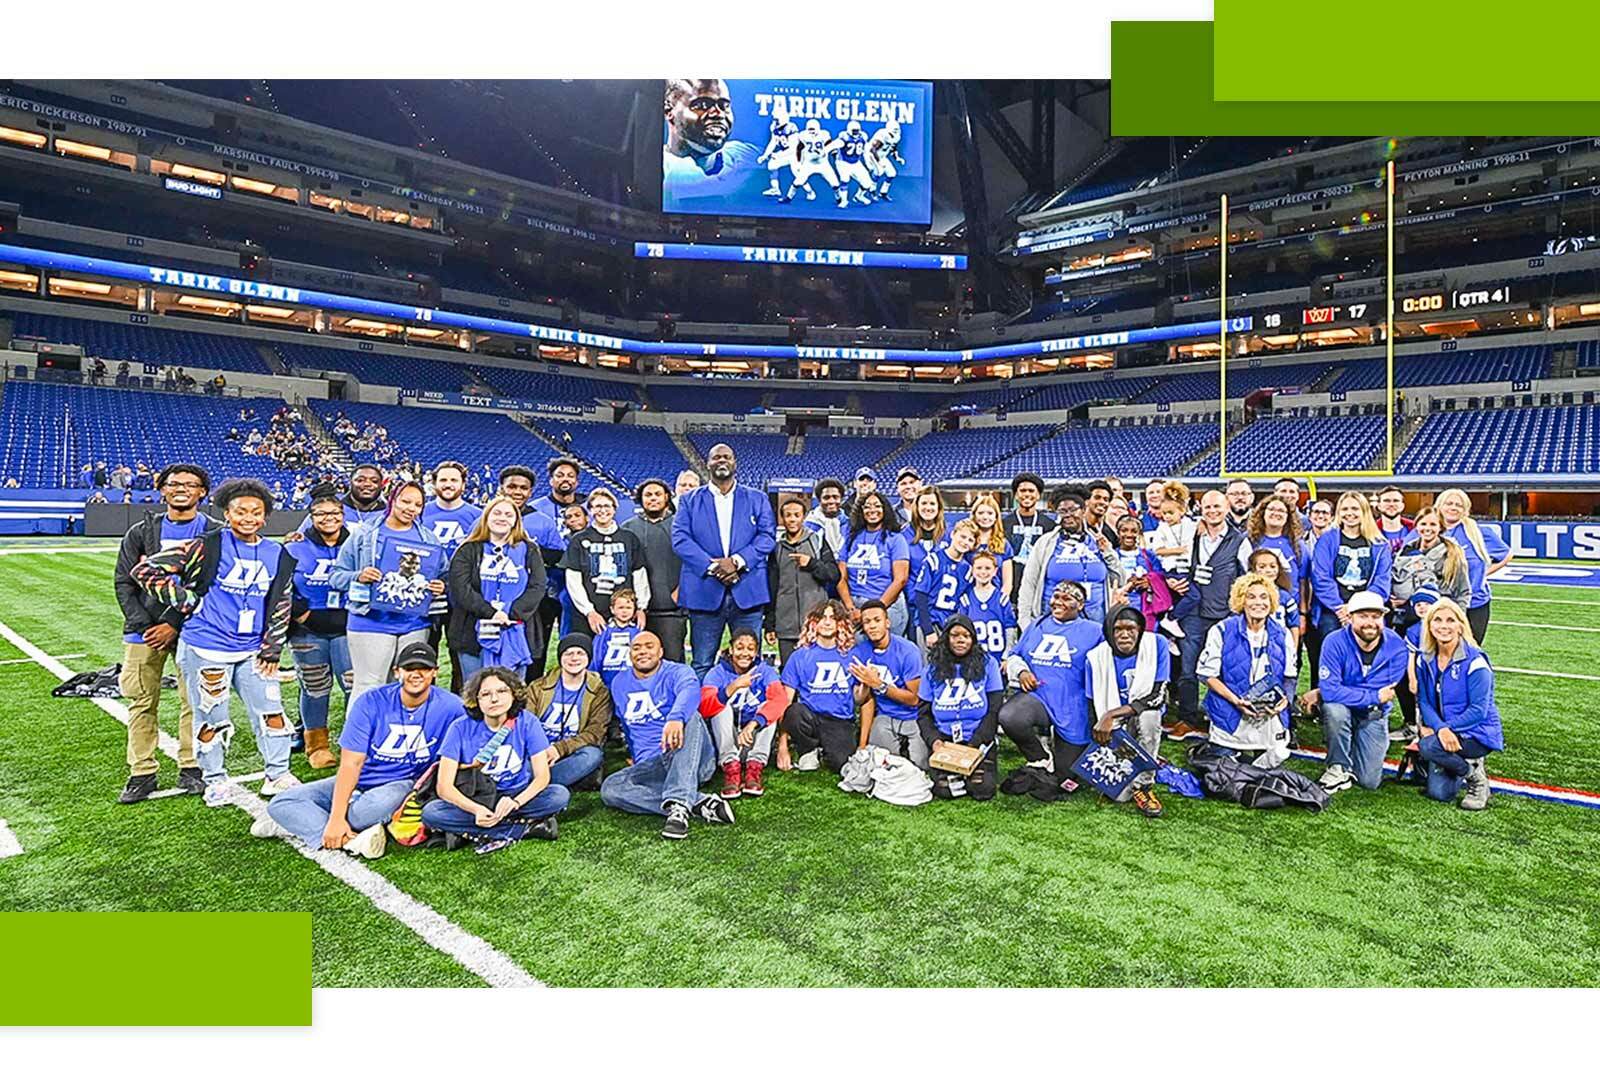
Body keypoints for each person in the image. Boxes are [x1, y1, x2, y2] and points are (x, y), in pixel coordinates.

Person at [131, 478, 299, 808]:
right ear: (227, 514)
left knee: (272, 712)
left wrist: (273, 647)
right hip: (206, 646)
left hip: (253, 651)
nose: (248, 518)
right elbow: (145, 570)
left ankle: (278, 773)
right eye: (241, 511)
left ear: (265, 517)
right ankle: (215, 780)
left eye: (256, 512)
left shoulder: (277, 553)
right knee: (212, 717)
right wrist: (185, 601)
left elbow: (282, 602)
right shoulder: (205, 545)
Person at [258, 643, 464, 858]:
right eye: (409, 668)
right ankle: (351, 841)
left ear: (435, 672)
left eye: (424, 669)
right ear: (397, 672)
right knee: (281, 803)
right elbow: (351, 763)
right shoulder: (370, 702)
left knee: (368, 810)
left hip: (403, 783)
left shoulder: (452, 707)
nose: (416, 674)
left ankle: (303, 822)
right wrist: (336, 819)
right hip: (362, 780)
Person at [113, 463, 217, 802]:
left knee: (196, 701)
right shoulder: (141, 532)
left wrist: (172, 623)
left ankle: (192, 766)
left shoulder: (214, 533)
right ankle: (142, 772)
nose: (181, 489)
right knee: (141, 700)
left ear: (202, 492)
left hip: (195, 629)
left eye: (190, 484)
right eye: (174, 483)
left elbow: (209, 586)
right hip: (143, 631)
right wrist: (145, 625)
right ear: (162, 490)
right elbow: (124, 582)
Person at [601, 630, 735, 839]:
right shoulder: (620, 682)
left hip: (691, 758)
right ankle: (697, 803)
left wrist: (675, 718)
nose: (642, 651)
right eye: (636, 648)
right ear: (630, 654)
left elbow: (689, 692)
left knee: (691, 716)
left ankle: (679, 807)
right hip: (654, 764)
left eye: (649, 646)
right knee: (611, 788)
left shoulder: (679, 672)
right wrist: (636, 756)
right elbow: (627, 727)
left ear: (661, 652)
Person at [420, 667, 567, 850]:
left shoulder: (528, 722)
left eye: (502, 691)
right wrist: (476, 809)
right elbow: (444, 787)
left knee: (559, 795)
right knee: (432, 813)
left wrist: (515, 802)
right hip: (476, 796)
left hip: (515, 794)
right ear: (476, 700)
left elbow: (542, 777)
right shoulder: (459, 728)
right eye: (486, 694)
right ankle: (525, 829)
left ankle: (467, 833)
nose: (494, 699)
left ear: (514, 695)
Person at [332, 481, 448, 701]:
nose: (411, 508)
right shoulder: (365, 534)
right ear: (392, 500)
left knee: (406, 689)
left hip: (414, 624)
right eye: (406, 501)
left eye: (418, 504)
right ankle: (361, 725)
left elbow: (443, 574)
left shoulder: (428, 538)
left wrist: (441, 586)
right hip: (370, 620)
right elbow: (336, 575)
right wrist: (359, 576)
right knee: (368, 686)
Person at [672, 442, 776, 678]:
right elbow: (680, 539)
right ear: (707, 463)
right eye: (716, 457)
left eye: (726, 457)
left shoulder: (757, 498)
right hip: (705, 591)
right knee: (702, 662)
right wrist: (714, 567)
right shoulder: (689, 501)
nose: (721, 460)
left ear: (734, 463)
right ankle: (703, 704)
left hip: (747, 592)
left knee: (750, 661)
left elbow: (767, 537)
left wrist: (737, 561)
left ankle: (748, 702)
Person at [1298, 590, 1407, 793]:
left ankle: (1354, 740)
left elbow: (1384, 692)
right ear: (1350, 618)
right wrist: (1372, 695)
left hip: (1373, 714)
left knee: (1368, 781)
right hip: (1346, 707)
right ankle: (1337, 767)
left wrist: (1327, 690)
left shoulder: (1397, 646)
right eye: (1363, 616)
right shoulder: (1334, 641)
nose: (1370, 623)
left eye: (1376, 616)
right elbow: (1335, 693)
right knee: (1335, 710)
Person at [1168, 489, 1255, 740]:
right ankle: (1187, 718)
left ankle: (1221, 718)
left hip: (1224, 614)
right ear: (1201, 509)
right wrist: (1173, 581)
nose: (1212, 511)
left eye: (1217, 506)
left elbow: (1247, 577)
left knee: (1225, 670)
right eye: (1207, 507)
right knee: (1188, 669)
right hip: (1193, 613)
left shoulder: (1239, 540)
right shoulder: (1192, 535)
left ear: (1226, 508)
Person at [1001, 580, 1104, 782]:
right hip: (1038, 696)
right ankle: (1039, 757)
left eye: (1066, 598)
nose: (1058, 602)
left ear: (1080, 605)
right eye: (1056, 597)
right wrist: (1022, 672)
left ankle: (1056, 744)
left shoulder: (1095, 631)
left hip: (1073, 704)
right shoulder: (1037, 624)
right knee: (1010, 716)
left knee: (1067, 776)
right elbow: (1014, 655)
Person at [1197, 574, 1298, 767]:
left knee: (1271, 766)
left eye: (1264, 597)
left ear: (1272, 601)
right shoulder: (1221, 630)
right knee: (1225, 772)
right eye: (1251, 597)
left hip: (1269, 713)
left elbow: (1290, 677)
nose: (1258, 602)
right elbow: (1207, 675)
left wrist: (1284, 701)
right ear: (1241, 601)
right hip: (1230, 710)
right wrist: (1236, 701)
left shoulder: (1283, 634)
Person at [285, 485, 352, 770]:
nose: (328, 518)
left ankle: (353, 743)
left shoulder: (358, 544)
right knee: (314, 686)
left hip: (350, 626)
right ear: (311, 517)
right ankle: (317, 745)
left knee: (354, 685)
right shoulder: (294, 547)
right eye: (321, 514)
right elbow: (282, 587)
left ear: (343, 515)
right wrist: (301, 614)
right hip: (308, 627)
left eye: (334, 513)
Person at [1414, 599, 1503, 810]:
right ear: (1429, 625)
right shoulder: (1424, 659)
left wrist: (1445, 729)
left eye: (1450, 620)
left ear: (1461, 626)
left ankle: (1476, 778)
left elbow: (1478, 711)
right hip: (1444, 732)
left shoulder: (1476, 662)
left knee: (1428, 747)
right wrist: (1440, 728)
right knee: (1440, 794)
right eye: (1437, 620)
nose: (1443, 626)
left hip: (1476, 733)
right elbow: (1424, 701)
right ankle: (1462, 764)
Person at [447, 495, 547, 682]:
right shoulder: (467, 549)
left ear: (516, 521)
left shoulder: (530, 549)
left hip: (515, 629)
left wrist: (510, 613)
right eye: (497, 513)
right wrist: (491, 613)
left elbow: (538, 586)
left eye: (508, 515)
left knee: (513, 689)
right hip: (472, 633)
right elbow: (461, 589)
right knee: (474, 688)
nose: (502, 518)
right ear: (486, 517)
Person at [1086, 605, 1172, 818]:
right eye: (1118, 629)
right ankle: (1139, 759)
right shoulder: (1095, 658)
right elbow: (1092, 704)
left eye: (1130, 629)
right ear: (1109, 631)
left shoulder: (1157, 645)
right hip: (1115, 729)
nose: (1125, 635)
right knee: (1119, 796)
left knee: (1150, 716)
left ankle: (1144, 785)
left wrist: (1111, 714)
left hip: (1140, 716)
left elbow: (1157, 696)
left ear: (1140, 629)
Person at [918, 615, 1005, 800]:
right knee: (944, 790)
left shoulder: (988, 664)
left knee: (983, 789)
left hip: (978, 738)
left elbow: (994, 709)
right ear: (946, 638)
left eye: (966, 636)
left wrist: (976, 742)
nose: (961, 640)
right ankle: (958, 775)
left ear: (973, 639)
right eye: (955, 635)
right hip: (945, 739)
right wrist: (934, 741)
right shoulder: (931, 669)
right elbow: (923, 714)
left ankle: (969, 774)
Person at [497, 465, 570, 677]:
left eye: (523, 488)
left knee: (533, 656)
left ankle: (530, 694)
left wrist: (526, 550)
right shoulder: (486, 518)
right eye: (512, 486)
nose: (517, 492)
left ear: (530, 492)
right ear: (501, 488)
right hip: (492, 599)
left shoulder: (542, 521)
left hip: (533, 602)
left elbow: (558, 555)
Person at [1019, 486, 1123, 629]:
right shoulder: (1045, 543)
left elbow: (1120, 579)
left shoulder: (1098, 541)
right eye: (1062, 511)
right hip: (1053, 622)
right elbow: (1028, 584)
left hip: (1095, 623)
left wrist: (1107, 552)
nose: (1068, 515)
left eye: (1073, 510)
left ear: (1083, 510)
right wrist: (1026, 623)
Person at [700, 628, 788, 797]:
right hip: (728, 740)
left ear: (756, 652)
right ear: (731, 649)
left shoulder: (764, 671)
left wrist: (754, 723)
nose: (745, 653)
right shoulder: (717, 673)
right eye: (739, 648)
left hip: (752, 738)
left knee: (769, 707)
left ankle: (754, 769)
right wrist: (733, 687)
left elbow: (780, 701)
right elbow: (704, 707)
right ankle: (731, 769)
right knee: (721, 707)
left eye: (750, 649)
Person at [422, 461, 482, 693]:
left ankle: (461, 702)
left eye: (454, 480)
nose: (448, 485)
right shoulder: (421, 513)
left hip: (462, 596)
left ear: (463, 484)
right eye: (443, 480)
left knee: (461, 653)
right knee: (425, 653)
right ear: (434, 483)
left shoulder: (477, 516)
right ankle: (426, 702)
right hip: (426, 594)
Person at [779, 600, 859, 773]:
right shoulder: (800, 656)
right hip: (809, 717)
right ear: (813, 622)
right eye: (822, 617)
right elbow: (784, 702)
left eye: (833, 618)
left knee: (841, 763)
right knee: (794, 712)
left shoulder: (852, 655)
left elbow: (863, 699)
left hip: (839, 719)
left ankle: (825, 750)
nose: (827, 622)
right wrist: (782, 747)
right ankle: (808, 749)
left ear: (840, 623)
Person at [562, 486, 649, 639]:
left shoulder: (629, 538)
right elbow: (573, 580)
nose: (602, 510)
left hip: (624, 613)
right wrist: (589, 611)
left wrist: (641, 607)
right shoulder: (579, 540)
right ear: (590, 510)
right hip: (589, 614)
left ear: (614, 509)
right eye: (597, 506)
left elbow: (640, 575)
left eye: (607, 506)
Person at [528, 633, 612, 790]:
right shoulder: (538, 687)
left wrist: (559, 749)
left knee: (592, 755)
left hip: (572, 749)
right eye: (568, 653)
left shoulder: (599, 691)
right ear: (560, 657)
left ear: (588, 658)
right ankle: (548, 780)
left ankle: (537, 782)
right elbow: (525, 724)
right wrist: (540, 750)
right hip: (537, 750)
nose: (574, 658)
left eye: (580, 653)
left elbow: (595, 733)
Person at [765, 496, 842, 665]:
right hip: (786, 626)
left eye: (796, 515)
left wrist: (812, 564)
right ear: (782, 518)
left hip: (816, 624)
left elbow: (834, 574)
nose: (792, 519)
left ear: (804, 517)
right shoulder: (776, 548)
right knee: (789, 670)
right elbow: (772, 587)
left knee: (815, 669)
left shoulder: (817, 541)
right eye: (788, 515)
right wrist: (770, 623)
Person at [661, 79, 759, 211]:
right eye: (702, 105)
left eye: (724, 105)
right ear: (669, 111)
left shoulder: (749, 156)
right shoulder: (655, 170)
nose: (718, 114)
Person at [1309, 491, 1394, 645]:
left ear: (1364, 511)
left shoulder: (1379, 544)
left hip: (1367, 608)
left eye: (1355, 509)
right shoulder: (1327, 540)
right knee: (1331, 639)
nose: (1349, 513)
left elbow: (1382, 580)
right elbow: (1320, 577)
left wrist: (1357, 607)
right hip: (1333, 609)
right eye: (1345, 509)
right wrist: (1340, 608)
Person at [851, 600, 927, 768]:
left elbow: (915, 699)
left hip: (913, 716)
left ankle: (907, 748)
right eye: (867, 622)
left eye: (877, 620)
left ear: (887, 623)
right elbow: (862, 701)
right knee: (884, 765)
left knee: (920, 765)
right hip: (884, 716)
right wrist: (865, 684)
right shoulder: (859, 652)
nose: (872, 626)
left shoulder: (908, 650)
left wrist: (879, 685)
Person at [1435, 488, 1513, 644]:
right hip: (1439, 602)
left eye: (1459, 505)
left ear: (1466, 510)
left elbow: (1507, 554)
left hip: (1475, 603)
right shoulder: (1429, 530)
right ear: (1439, 506)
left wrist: (1484, 573)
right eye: (1449, 503)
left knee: (1470, 648)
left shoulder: (1478, 532)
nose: (1453, 508)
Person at [623, 477, 687, 662]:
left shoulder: (681, 526)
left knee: (671, 661)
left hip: (670, 610)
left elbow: (692, 562)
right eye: (648, 495)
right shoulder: (628, 528)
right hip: (635, 610)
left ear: (666, 497)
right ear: (640, 499)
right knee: (637, 661)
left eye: (657, 494)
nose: (653, 498)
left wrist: (681, 589)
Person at [836, 489, 911, 633]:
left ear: (885, 510)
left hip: (886, 605)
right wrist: (850, 608)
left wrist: (875, 610)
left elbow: (900, 579)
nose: (872, 510)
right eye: (867, 506)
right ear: (861, 511)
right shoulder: (851, 538)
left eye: (877, 506)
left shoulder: (895, 539)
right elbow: (841, 576)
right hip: (853, 606)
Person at [912, 518, 978, 646]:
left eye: (970, 540)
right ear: (953, 534)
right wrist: (928, 630)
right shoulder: (934, 560)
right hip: (930, 621)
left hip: (951, 626)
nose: (965, 542)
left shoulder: (968, 570)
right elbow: (920, 596)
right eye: (963, 536)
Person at [1111, 513, 1171, 633]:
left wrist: (1149, 582)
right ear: (1118, 532)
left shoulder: (1149, 556)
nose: (1129, 534)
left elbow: (1161, 577)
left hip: (1144, 605)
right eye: (1124, 530)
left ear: (1139, 534)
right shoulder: (1111, 555)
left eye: (1134, 531)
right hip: (1118, 604)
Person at [957, 550, 1015, 668]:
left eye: (988, 568)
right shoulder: (966, 600)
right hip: (973, 661)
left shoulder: (1002, 599)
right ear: (972, 570)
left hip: (998, 660)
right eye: (979, 568)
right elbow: (962, 630)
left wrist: (1007, 656)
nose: (983, 572)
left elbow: (1010, 629)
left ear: (995, 571)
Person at [1004, 472, 1057, 601]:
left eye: (1031, 491)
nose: (1027, 494)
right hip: (1011, 588)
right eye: (1022, 491)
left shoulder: (1050, 525)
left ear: (1038, 495)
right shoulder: (1004, 524)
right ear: (1016, 495)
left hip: (1038, 588)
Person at [903, 487, 946, 625]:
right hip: (914, 607)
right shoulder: (904, 535)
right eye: (924, 503)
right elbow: (903, 574)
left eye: (932, 504)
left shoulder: (950, 534)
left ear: (939, 507)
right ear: (917, 506)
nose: (928, 508)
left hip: (944, 608)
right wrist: (916, 598)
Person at [1249, 549, 1302, 652]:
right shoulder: (1246, 596)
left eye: (1273, 566)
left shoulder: (1285, 597)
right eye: (1262, 567)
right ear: (1253, 569)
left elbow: (1294, 625)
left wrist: (1293, 650)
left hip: (1279, 646)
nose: (1268, 570)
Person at [592, 587, 643, 687]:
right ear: (612, 609)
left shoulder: (638, 632)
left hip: (631, 682)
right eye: (621, 608)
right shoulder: (603, 631)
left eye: (628, 608)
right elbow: (596, 656)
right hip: (607, 680)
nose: (624, 611)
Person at [966, 493, 1013, 599]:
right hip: (969, 600)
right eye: (981, 513)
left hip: (995, 599)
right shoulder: (967, 542)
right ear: (974, 515)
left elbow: (1007, 583)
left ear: (996, 517)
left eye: (990, 513)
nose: (985, 517)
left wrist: (999, 602)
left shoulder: (1003, 544)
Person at [803, 477, 847, 554]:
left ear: (841, 499)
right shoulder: (808, 527)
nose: (831, 501)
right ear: (819, 500)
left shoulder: (849, 524)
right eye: (826, 498)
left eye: (835, 497)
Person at [1375, 486, 1414, 557]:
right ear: (1379, 506)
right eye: (1386, 501)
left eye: (1396, 501)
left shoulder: (1415, 530)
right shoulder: (1370, 531)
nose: (1391, 504)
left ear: (1402, 506)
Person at [1083, 479, 1117, 544]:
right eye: (1097, 497)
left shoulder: (1111, 535)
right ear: (1086, 501)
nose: (1102, 502)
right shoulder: (1075, 528)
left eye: (1106, 499)